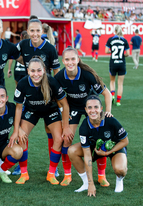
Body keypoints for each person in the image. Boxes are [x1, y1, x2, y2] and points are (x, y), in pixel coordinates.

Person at [54, 47, 113, 187]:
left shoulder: (87, 75)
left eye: (73, 59)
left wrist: (108, 112)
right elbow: (56, 98)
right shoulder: (59, 77)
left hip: (90, 108)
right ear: (63, 61)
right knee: (66, 139)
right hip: (72, 108)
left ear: (78, 60)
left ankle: (101, 176)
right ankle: (67, 175)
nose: (70, 62)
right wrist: (64, 114)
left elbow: (107, 94)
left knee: (99, 140)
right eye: (67, 59)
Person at [9, 57, 72, 185]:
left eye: (39, 70)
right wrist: (17, 130)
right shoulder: (22, 83)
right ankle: (24, 173)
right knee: (22, 138)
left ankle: (51, 173)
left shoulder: (51, 81)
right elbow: (18, 108)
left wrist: (65, 126)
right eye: (33, 71)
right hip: (32, 111)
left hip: (51, 110)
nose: (36, 74)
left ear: (44, 70)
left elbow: (65, 105)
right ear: (28, 71)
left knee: (60, 139)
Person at [11, 18, 61, 177]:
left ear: (43, 32)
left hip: (47, 96)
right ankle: (20, 167)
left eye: (38, 31)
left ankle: (54, 168)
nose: (34, 34)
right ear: (28, 31)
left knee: (52, 134)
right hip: (30, 96)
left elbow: (56, 72)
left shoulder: (50, 48)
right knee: (22, 134)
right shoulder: (23, 45)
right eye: (31, 31)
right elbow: (12, 54)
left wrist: (57, 92)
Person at [68, 95, 129, 195]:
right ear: (86, 110)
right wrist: (91, 183)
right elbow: (87, 155)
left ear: (101, 108)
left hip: (114, 147)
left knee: (120, 169)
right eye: (90, 107)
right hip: (95, 148)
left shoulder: (111, 120)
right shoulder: (84, 126)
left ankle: (119, 180)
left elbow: (125, 141)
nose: (93, 110)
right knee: (72, 150)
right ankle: (86, 183)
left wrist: (107, 152)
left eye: (96, 107)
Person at [105, 25, 130, 106]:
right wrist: (122, 54)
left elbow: (106, 51)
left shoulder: (110, 39)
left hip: (113, 63)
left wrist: (112, 52)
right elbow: (128, 54)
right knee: (120, 84)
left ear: (114, 31)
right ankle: (118, 101)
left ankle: (112, 95)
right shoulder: (124, 40)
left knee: (112, 81)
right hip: (122, 63)